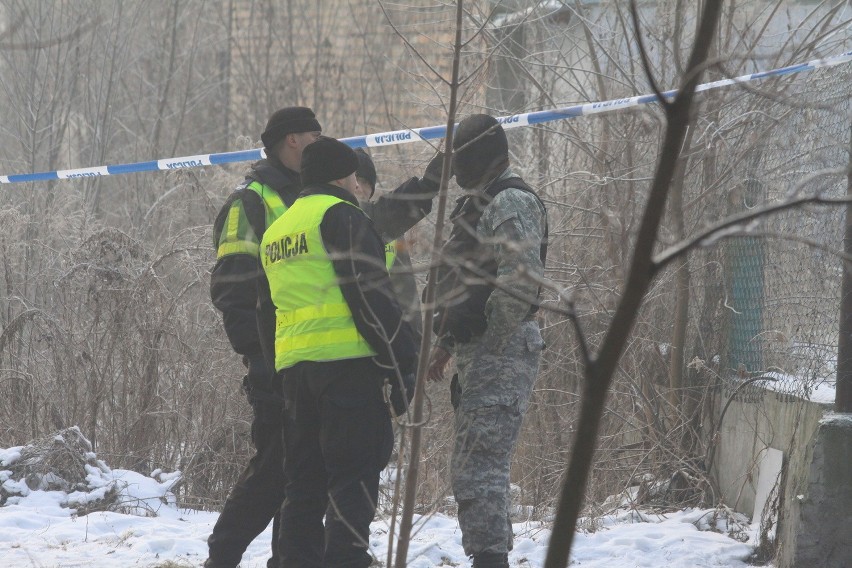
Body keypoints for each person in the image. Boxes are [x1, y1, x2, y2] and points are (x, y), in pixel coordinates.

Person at [207, 107, 441, 568]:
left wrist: (429, 184)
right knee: (310, 479)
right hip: (326, 368)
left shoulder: (293, 213)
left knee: (301, 485)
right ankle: (225, 556)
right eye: (315, 134)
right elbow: (238, 290)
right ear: (294, 140)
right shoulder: (257, 202)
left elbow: (375, 223)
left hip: (295, 369)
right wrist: (260, 363)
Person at [259, 136, 417, 567]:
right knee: (353, 479)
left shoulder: (279, 230)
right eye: (352, 176)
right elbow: (372, 300)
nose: (356, 185)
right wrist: (404, 362)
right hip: (347, 371)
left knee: (303, 486)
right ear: (339, 177)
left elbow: (266, 310)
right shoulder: (341, 216)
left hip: (294, 375)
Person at [426, 114, 548, 568]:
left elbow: (520, 281)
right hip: (479, 349)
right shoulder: (478, 204)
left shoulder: (510, 200)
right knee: (472, 466)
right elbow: (465, 283)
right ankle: (488, 556)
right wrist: (448, 341)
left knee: (479, 467)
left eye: (461, 157)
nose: (456, 167)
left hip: (501, 348)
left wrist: (492, 345)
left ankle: (490, 560)